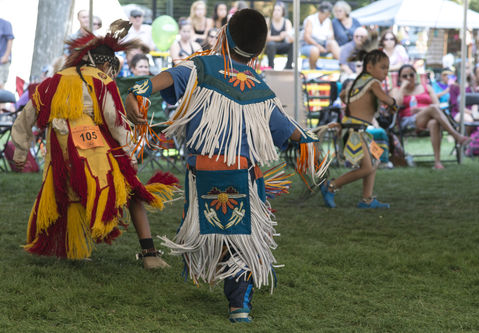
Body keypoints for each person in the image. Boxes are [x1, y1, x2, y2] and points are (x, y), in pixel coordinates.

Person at [125, 9, 325, 323]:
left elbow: (162, 81)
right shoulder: (259, 86)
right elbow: (286, 129)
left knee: (214, 233)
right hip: (244, 176)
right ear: (258, 50)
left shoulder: (201, 66)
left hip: (202, 172)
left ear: (225, 36)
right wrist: (310, 143)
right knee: (242, 240)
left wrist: (138, 93)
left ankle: (223, 281)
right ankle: (239, 305)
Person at [11, 20, 177, 268]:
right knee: (117, 186)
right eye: (112, 68)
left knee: (67, 191)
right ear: (105, 63)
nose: (112, 74)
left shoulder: (54, 79)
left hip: (58, 144)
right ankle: (148, 253)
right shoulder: (102, 80)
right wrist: (129, 153)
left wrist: (21, 153)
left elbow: (27, 115)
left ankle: (72, 247)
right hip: (91, 144)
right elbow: (115, 121)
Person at [321, 50, 398, 209]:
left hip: (355, 130)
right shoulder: (373, 82)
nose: (386, 71)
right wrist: (394, 103)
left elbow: (343, 95)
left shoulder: (358, 81)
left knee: (375, 159)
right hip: (354, 132)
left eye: (387, 68)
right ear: (369, 67)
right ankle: (331, 186)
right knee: (367, 167)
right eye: (383, 67)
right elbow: (385, 98)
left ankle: (367, 199)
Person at [390, 64, 471, 169]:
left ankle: (437, 162)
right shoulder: (396, 90)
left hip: (430, 117)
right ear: (400, 78)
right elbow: (395, 105)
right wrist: (402, 88)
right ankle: (456, 135)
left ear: (416, 75)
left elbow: (437, 105)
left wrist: (421, 109)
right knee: (432, 109)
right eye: (405, 76)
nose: (409, 78)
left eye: (411, 74)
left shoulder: (426, 87)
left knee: (434, 122)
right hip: (408, 120)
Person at [301, 1, 340, 69]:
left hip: (324, 45)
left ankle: (343, 66)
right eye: (326, 14)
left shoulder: (328, 21)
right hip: (309, 46)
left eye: (329, 14)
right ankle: (313, 70)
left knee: (333, 43)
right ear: (321, 12)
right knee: (315, 50)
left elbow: (331, 38)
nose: (328, 16)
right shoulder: (310, 19)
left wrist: (328, 46)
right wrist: (318, 46)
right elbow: (307, 37)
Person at [265, 1, 293, 69]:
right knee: (271, 44)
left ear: (282, 12)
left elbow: (291, 39)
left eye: (278, 10)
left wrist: (288, 35)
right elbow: (267, 38)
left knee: (292, 46)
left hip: (282, 46)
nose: (276, 12)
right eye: (274, 10)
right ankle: (271, 68)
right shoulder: (268, 21)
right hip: (269, 48)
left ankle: (288, 67)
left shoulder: (287, 22)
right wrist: (280, 37)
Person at [0, 18, 14, 89]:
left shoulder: (5, 24)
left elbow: (10, 39)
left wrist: (6, 56)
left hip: (2, 62)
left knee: (0, 86)